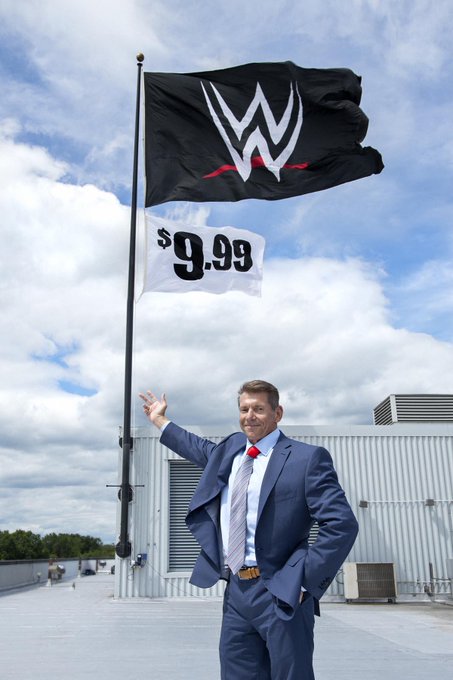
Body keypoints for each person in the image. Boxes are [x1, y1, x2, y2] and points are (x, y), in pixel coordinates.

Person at [140, 380, 358, 680]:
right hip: (237, 592)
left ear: (277, 413)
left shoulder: (306, 459)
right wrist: (159, 420)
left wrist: (304, 583)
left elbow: (342, 524)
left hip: (281, 589)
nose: (249, 416)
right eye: (244, 409)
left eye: (258, 409)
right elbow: (196, 446)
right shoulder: (231, 451)